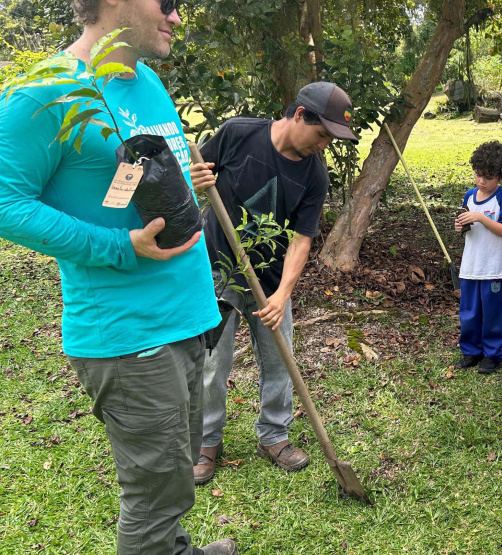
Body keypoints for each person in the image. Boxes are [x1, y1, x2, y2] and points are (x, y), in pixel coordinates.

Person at [0, 0, 235, 553]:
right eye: (169, 3)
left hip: (188, 315)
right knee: (153, 498)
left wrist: (184, 188)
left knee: (173, 476)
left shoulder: (147, 81)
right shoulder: (45, 91)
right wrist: (118, 247)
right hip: (131, 336)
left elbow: (132, 184)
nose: (178, 17)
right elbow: (5, 200)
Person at [189, 82, 357, 484]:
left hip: (270, 280)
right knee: (213, 364)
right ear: (300, 115)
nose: (324, 145)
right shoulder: (237, 133)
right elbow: (196, 173)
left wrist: (283, 294)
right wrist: (194, 178)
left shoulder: (316, 175)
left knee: (280, 359)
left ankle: (273, 436)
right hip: (217, 271)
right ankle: (207, 443)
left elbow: (302, 239)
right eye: (322, 135)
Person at [454, 141, 502, 374]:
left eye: (488, 177)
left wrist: (481, 218)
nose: (481, 181)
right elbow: (466, 223)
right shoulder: (470, 196)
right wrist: (461, 224)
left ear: (500, 176)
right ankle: (471, 351)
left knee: (493, 312)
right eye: (478, 175)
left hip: (493, 267)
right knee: (469, 312)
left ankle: (493, 354)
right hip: (471, 266)